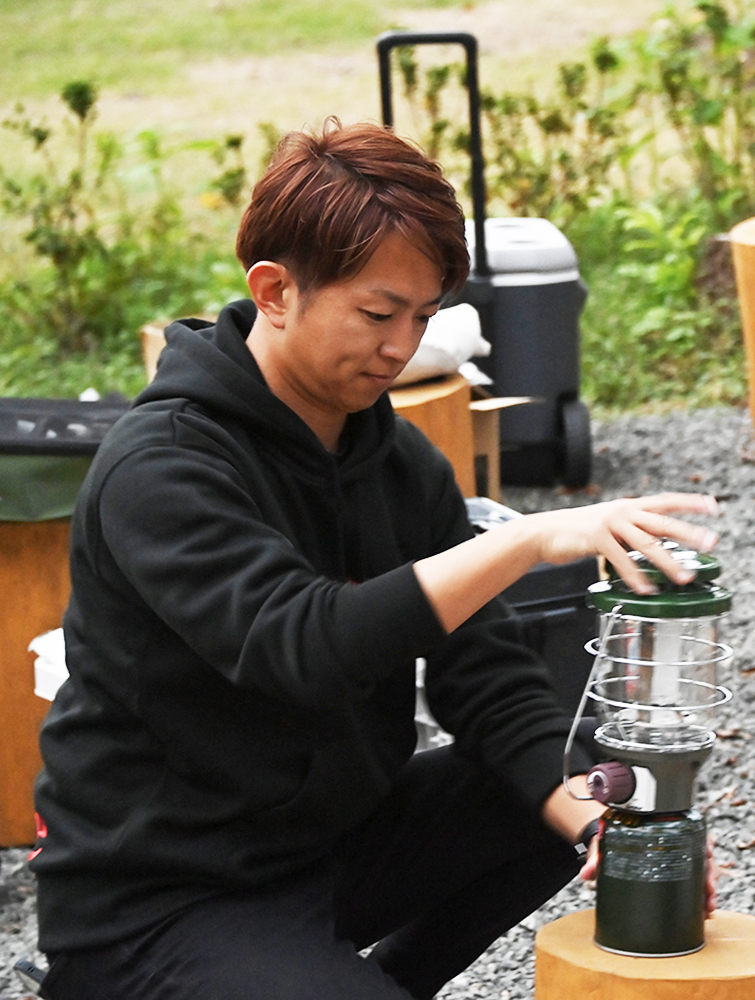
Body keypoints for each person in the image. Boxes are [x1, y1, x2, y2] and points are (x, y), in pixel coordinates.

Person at [28, 120, 719, 1000]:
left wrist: (606, 826)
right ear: (275, 291)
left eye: (423, 316)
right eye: (377, 312)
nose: (401, 346)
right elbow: (304, 644)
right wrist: (527, 539)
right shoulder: (162, 464)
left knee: (573, 776)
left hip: (328, 851)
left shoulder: (396, 464)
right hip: (163, 898)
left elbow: (488, 680)